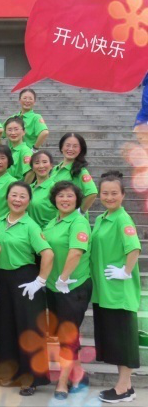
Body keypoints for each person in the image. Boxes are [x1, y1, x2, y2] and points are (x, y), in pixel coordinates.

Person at [0, 181, 53, 396]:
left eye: (22, 196)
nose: (17, 200)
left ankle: (31, 378)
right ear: (7, 197)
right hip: (3, 279)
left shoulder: (30, 226)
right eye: (14, 195)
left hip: (25, 279)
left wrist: (40, 281)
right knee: (6, 327)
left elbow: (48, 254)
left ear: (28, 201)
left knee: (29, 329)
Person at [90, 172, 141, 403]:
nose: (109, 197)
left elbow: (134, 248)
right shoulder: (103, 218)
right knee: (116, 340)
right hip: (105, 291)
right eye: (105, 193)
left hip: (119, 291)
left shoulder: (122, 219)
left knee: (124, 341)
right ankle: (127, 387)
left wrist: (126, 271)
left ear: (123, 195)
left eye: (114, 193)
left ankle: (122, 388)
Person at [42, 181, 92, 399]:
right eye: (61, 195)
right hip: (54, 286)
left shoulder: (78, 222)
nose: (65, 199)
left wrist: (63, 278)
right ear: (54, 199)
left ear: (77, 200)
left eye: (69, 196)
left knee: (67, 336)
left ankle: (62, 383)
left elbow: (76, 252)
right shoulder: (52, 223)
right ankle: (79, 374)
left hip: (72, 286)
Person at [51, 133, 98, 215]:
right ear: (61, 147)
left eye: (75, 146)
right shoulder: (55, 169)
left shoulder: (80, 171)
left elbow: (92, 193)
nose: (71, 149)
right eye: (68, 145)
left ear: (80, 150)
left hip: (72, 218)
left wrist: (81, 211)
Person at [28, 151, 57, 229]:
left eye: (44, 162)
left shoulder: (55, 188)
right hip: (29, 232)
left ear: (51, 165)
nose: (41, 166)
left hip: (48, 232)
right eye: (37, 163)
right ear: (32, 168)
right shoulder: (28, 189)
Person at [4, 117, 33, 181]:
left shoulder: (25, 150)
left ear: (24, 132)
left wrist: (22, 186)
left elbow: (30, 172)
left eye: (16, 129)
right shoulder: (9, 150)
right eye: (9, 130)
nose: (13, 133)